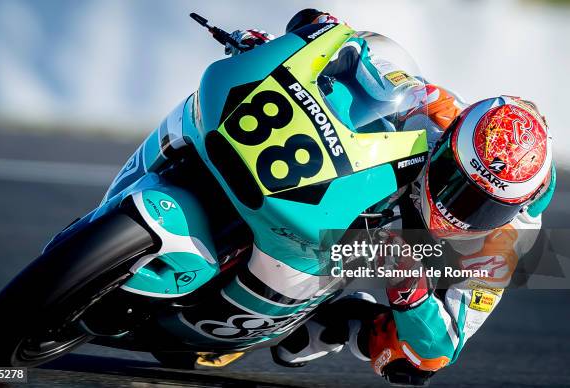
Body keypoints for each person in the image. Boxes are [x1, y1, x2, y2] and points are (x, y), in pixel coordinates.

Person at [224, 8, 556, 385]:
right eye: (455, 182)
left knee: (416, 362)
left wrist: (410, 291)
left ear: (514, 208)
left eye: (478, 206)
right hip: (404, 181)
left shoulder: (503, 243)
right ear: (452, 142)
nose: (454, 210)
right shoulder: (441, 109)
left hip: (421, 250)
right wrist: (296, 44)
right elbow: (365, 63)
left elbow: (443, 344)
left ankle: (336, 323)